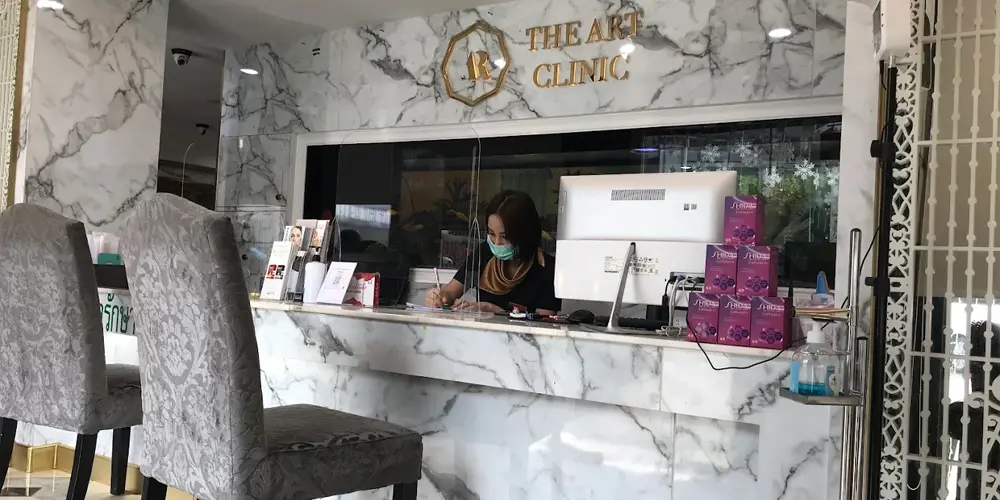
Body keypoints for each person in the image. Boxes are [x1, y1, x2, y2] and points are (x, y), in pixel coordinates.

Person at [426, 190, 561, 314]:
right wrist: (440, 297)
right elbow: (451, 293)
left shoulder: (546, 268)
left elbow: (544, 322)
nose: (496, 243)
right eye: (491, 234)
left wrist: (493, 309)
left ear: (525, 233)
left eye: (505, 236)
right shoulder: (484, 253)